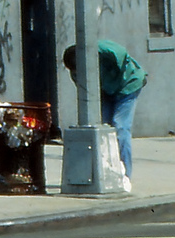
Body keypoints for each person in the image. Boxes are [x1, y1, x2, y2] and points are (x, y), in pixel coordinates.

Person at [61, 40, 146, 180]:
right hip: (106, 91)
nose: (78, 73)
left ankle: (125, 174)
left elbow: (121, 53)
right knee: (104, 129)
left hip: (128, 85)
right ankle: (108, 170)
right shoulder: (76, 74)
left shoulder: (101, 49)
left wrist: (116, 71)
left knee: (120, 127)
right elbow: (86, 93)